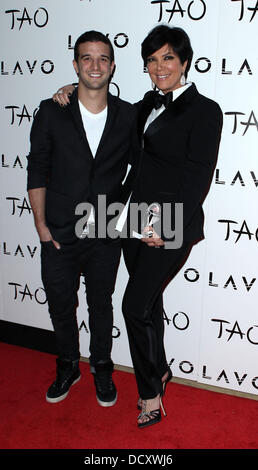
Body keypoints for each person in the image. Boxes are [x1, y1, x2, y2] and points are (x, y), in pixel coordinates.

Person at [53, 25, 223, 428]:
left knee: (132, 306)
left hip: (171, 223)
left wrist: (168, 226)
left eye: (167, 58)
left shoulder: (205, 110)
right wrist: (67, 91)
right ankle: (159, 369)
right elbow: (101, 111)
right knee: (149, 305)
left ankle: (150, 393)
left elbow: (198, 179)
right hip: (131, 218)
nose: (159, 67)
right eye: (151, 59)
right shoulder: (144, 106)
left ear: (185, 62)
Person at [27, 30, 138, 407]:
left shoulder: (128, 115)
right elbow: (37, 170)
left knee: (101, 303)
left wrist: (119, 212)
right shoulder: (51, 109)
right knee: (60, 303)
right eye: (87, 58)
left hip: (103, 226)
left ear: (112, 66)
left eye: (103, 58)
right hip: (58, 228)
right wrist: (41, 226)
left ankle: (102, 369)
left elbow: (139, 171)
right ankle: (68, 365)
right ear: (75, 65)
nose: (95, 65)